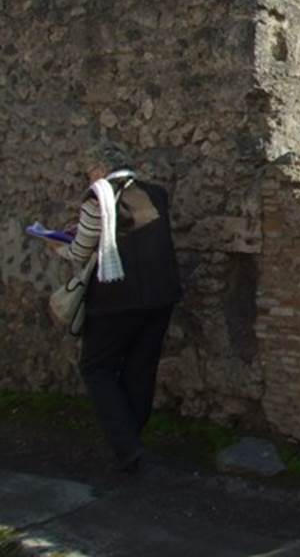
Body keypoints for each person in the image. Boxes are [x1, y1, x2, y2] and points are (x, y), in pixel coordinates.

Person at [52, 141, 182, 472]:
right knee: (141, 368)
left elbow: (81, 252)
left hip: (115, 299)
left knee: (96, 368)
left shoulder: (99, 196)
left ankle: (127, 447)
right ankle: (132, 441)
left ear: (99, 169)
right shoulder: (155, 193)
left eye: (89, 172)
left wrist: (57, 246)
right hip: (161, 295)